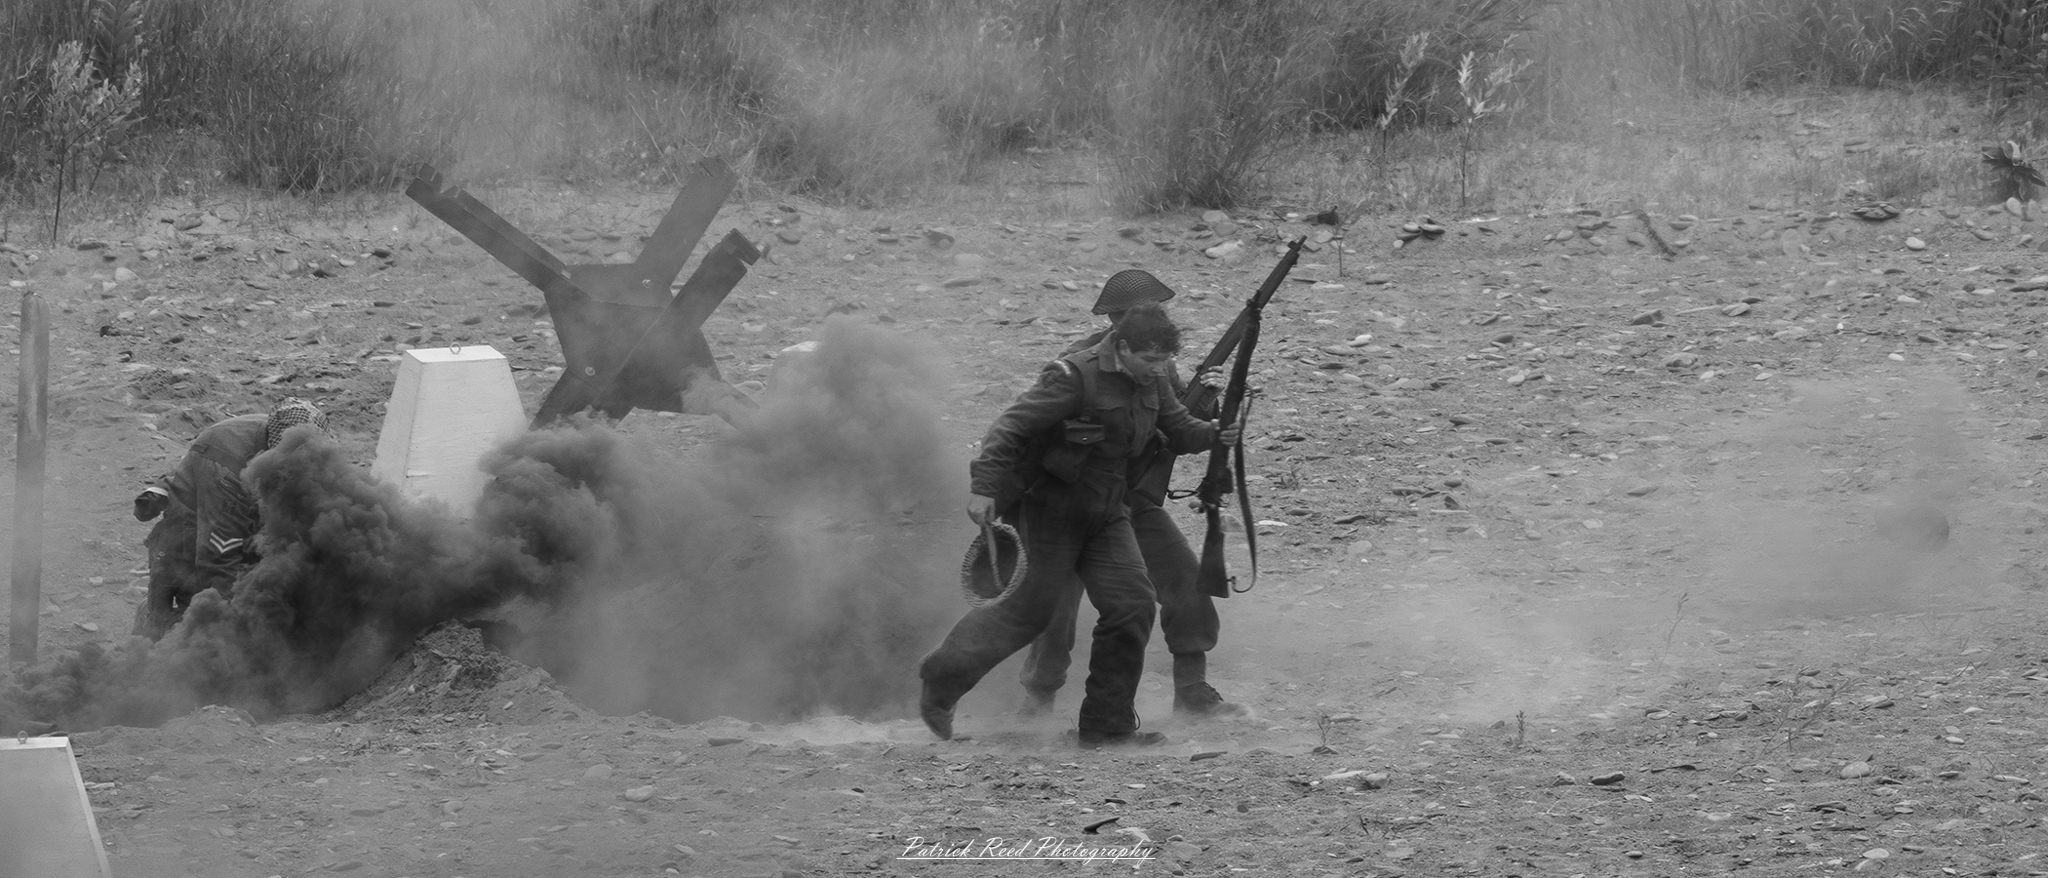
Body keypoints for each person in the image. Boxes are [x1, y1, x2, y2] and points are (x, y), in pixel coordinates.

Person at [919, 302, 1240, 748]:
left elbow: (1178, 427)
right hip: (1052, 509)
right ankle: (941, 679)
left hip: (1109, 511)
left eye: (1162, 361)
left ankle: (1106, 728)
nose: (1157, 370)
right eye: (1149, 360)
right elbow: (1010, 428)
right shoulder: (1074, 375)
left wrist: (1215, 432)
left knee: (1132, 605)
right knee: (1030, 612)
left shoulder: (1155, 377)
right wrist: (985, 487)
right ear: (1123, 347)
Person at [1017, 270, 1246, 720]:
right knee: (1057, 606)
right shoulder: (1074, 363)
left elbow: (1176, 427)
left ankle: (1192, 690)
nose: (1160, 317)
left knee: (1186, 579)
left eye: (1160, 310)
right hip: (1069, 506)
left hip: (1130, 500)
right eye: (1149, 311)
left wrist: (1212, 403)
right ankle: (1038, 699)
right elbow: (1028, 431)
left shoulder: (1159, 361)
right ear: (1119, 320)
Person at [130, 398, 327, 640]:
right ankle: (152, 622)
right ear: (271, 447)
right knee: (194, 622)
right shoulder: (228, 471)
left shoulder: (283, 430)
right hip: (188, 540)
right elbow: (218, 559)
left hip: (242, 523)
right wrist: (237, 622)